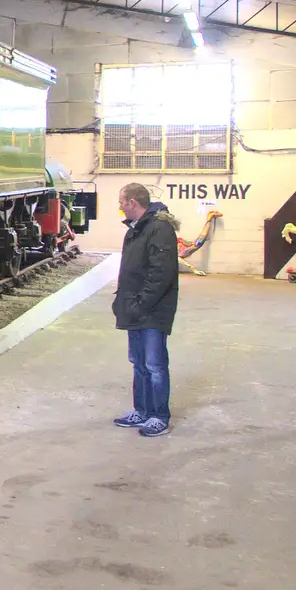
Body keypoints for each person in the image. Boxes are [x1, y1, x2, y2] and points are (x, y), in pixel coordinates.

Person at [112, 183, 180, 437]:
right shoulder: (136, 229)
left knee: (155, 365)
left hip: (152, 311)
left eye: (121, 202)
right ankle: (141, 411)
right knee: (139, 364)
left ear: (132, 203)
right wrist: (123, 302)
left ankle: (159, 416)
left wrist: (141, 304)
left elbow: (160, 275)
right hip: (135, 309)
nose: (119, 207)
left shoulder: (159, 229)